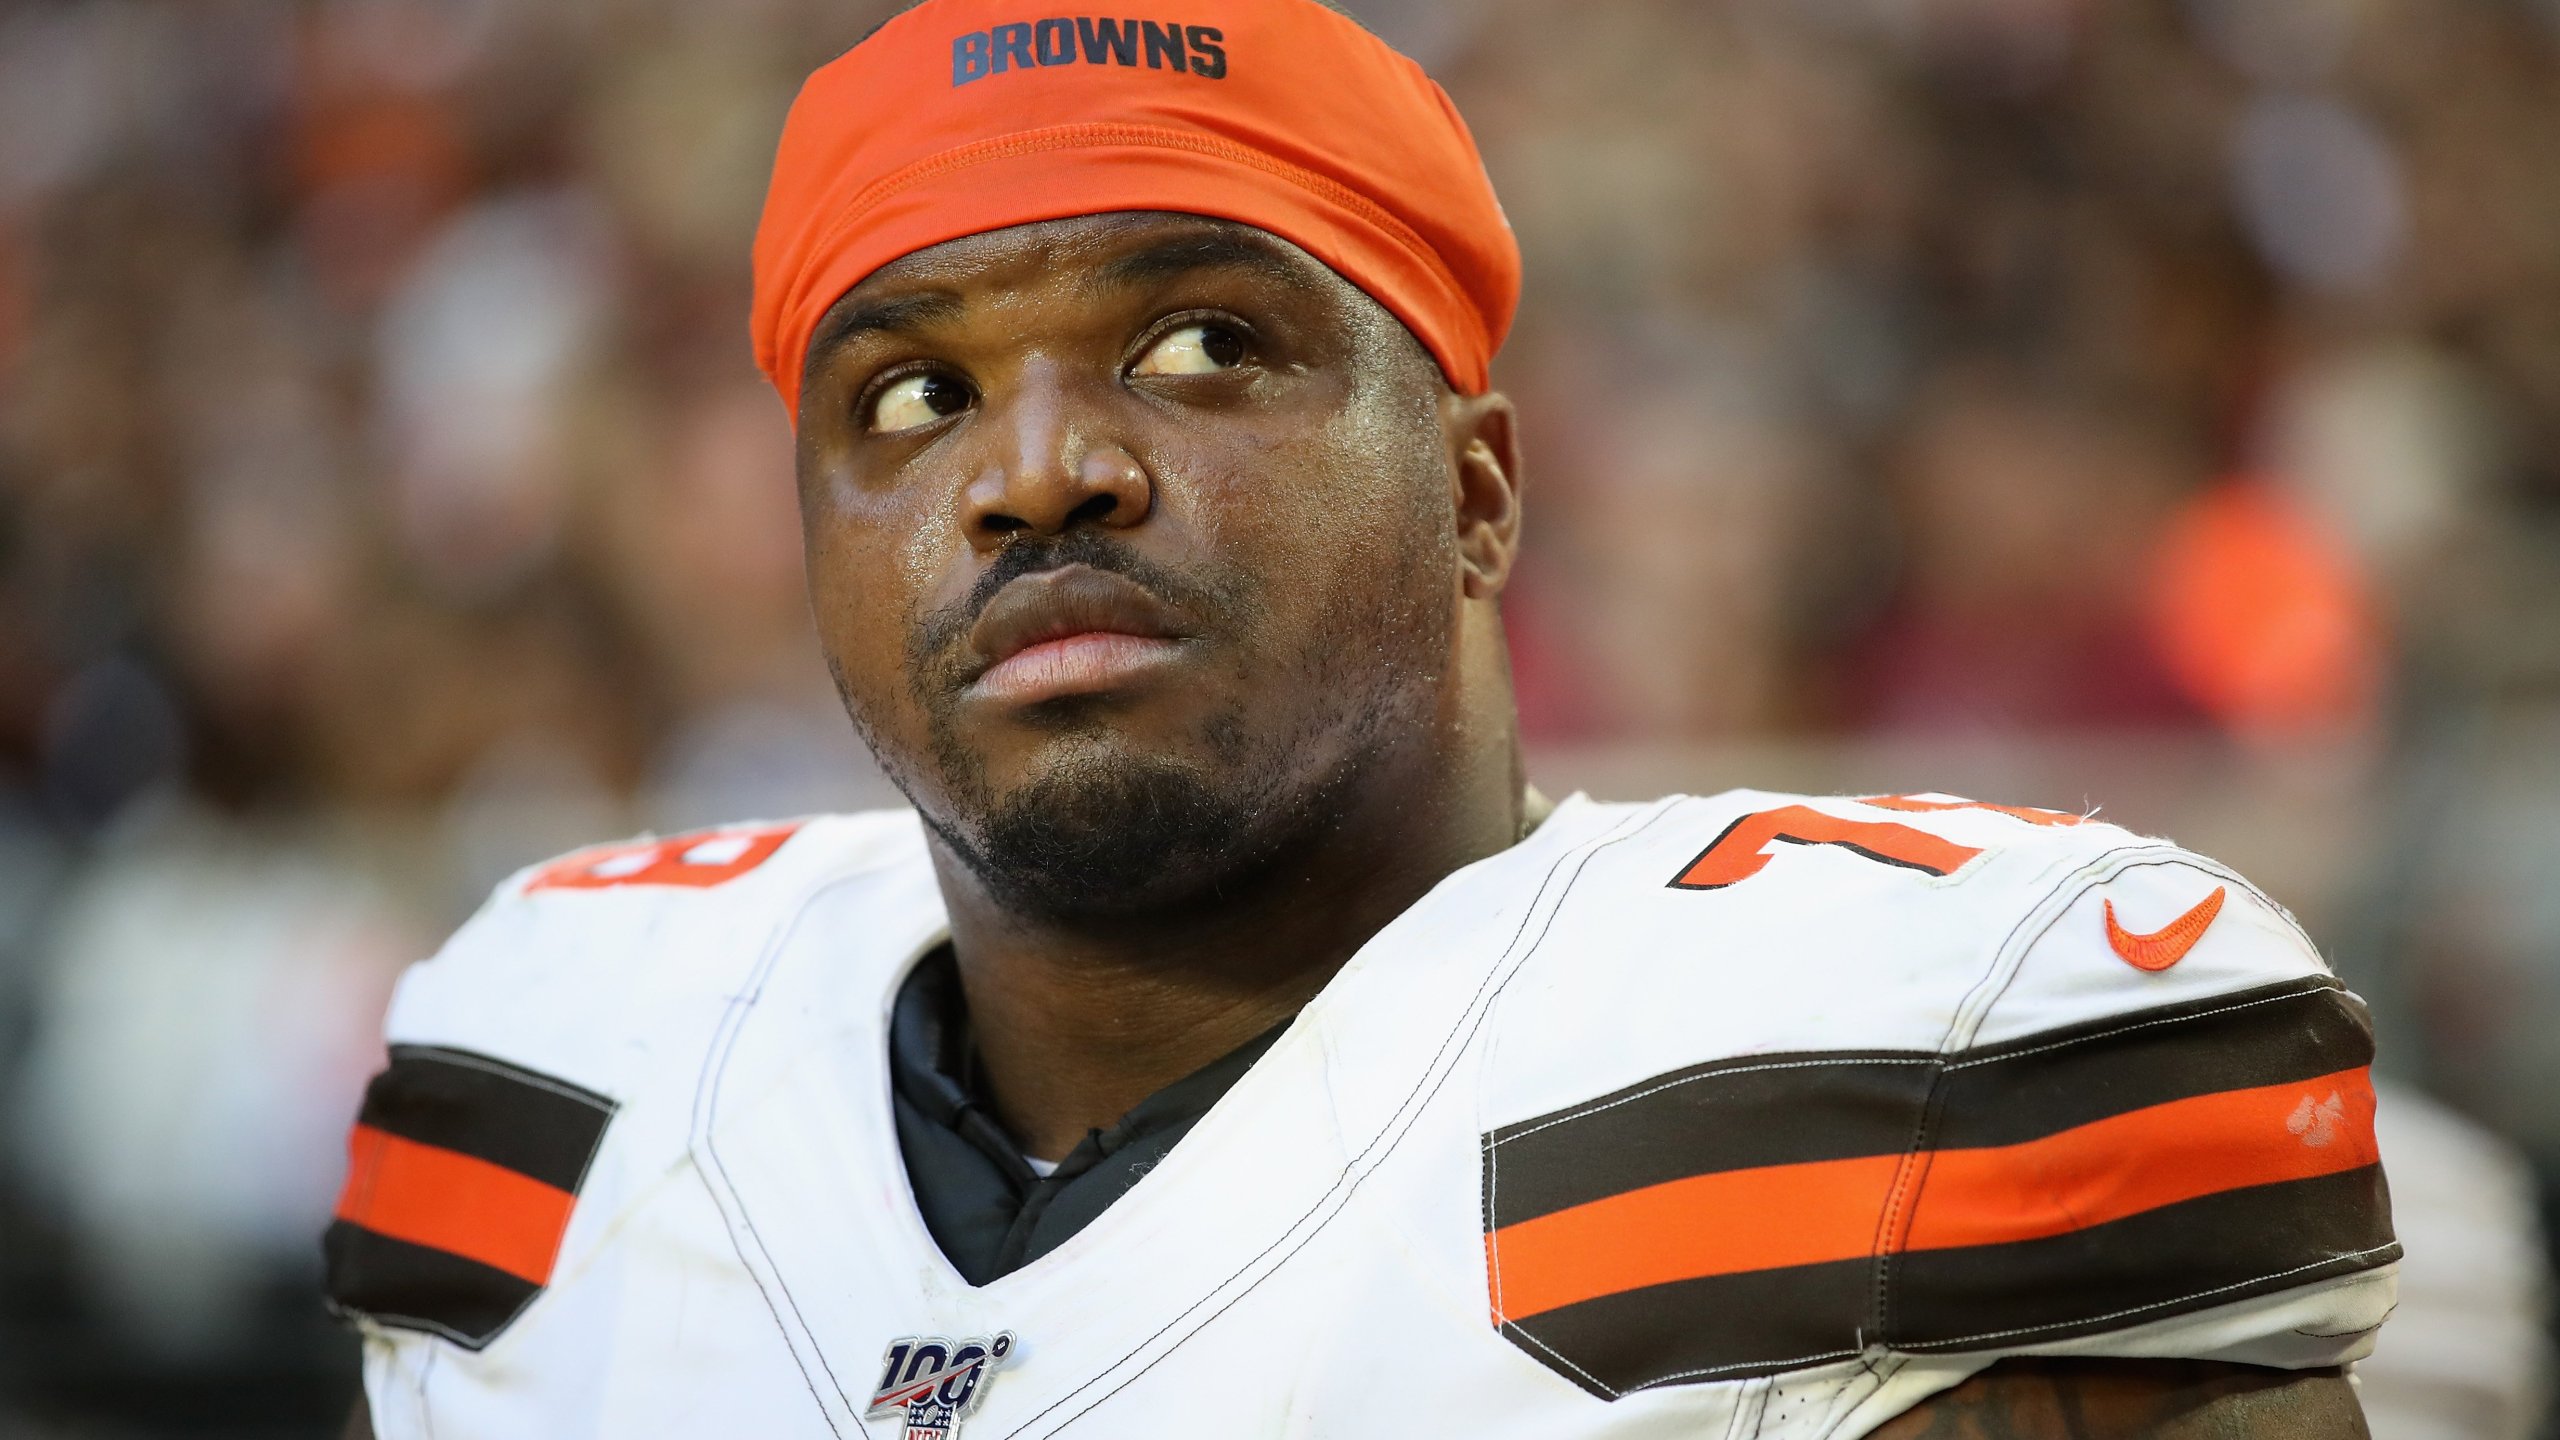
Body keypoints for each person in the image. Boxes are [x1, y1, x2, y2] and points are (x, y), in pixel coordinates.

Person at [322, 2, 2397, 1435]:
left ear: (1476, 491)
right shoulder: (573, 1066)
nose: (1032, 468)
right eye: (913, 393)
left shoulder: (1924, 1063)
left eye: (1205, 343)